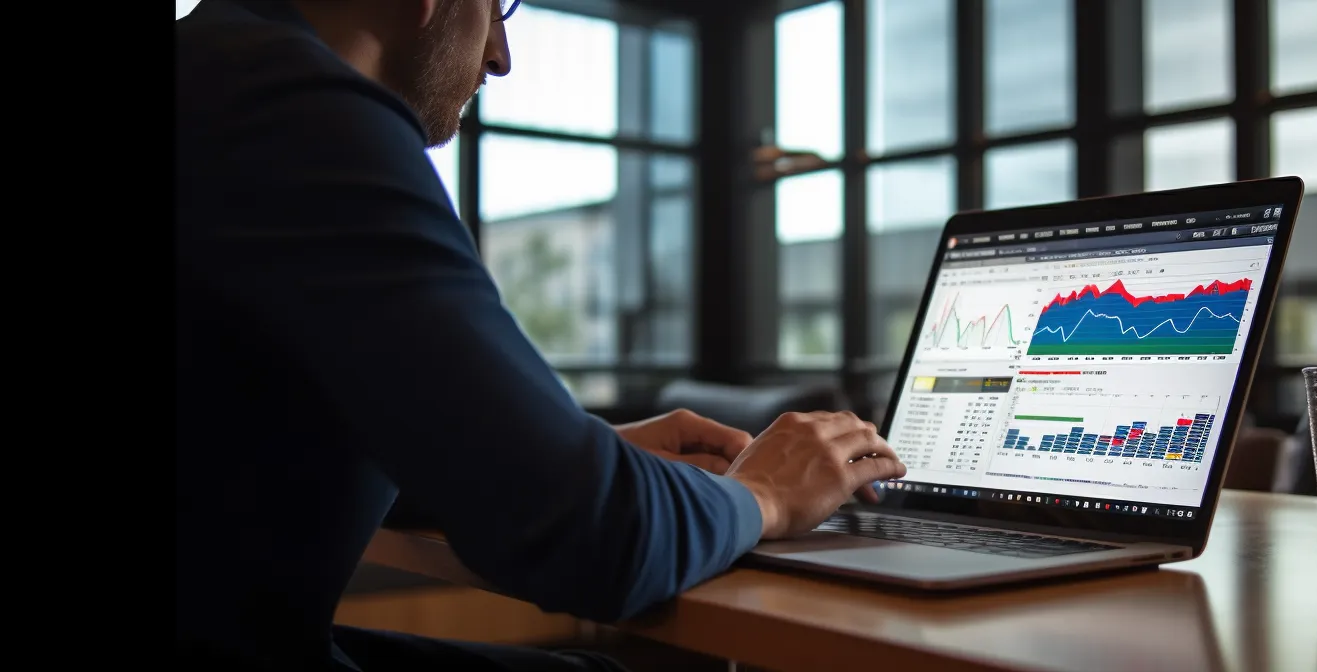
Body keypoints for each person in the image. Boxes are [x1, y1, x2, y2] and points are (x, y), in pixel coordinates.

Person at [175, 1, 907, 669]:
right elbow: (592, 540)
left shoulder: (218, 76)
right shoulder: (295, 111)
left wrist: (554, 454)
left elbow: (242, 464)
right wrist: (766, 495)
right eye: (498, 8)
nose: (499, 56)